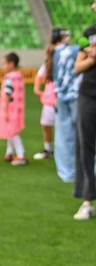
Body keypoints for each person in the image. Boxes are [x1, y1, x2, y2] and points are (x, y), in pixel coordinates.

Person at [71, 13, 96, 220]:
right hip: (88, 97)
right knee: (85, 148)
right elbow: (77, 67)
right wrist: (91, 58)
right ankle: (87, 201)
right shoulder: (89, 34)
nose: (93, 6)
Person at [52, 28, 83, 183]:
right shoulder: (76, 50)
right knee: (85, 133)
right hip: (78, 94)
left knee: (64, 135)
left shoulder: (54, 53)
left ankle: (67, 172)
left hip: (61, 94)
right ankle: (87, 170)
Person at [0, 52, 28, 165]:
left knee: (12, 131)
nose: (3, 66)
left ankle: (21, 155)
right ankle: (10, 152)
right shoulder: (19, 76)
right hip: (18, 108)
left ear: (12, 64)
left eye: (4, 64)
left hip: (10, 109)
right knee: (11, 130)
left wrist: (5, 110)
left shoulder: (9, 78)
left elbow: (7, 94)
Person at [32, 43, 58, 160]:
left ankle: (64, 151)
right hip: (49, 100)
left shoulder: (68, 63)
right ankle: (48, 149)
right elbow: (39, 76)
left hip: (62, 100)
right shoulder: (48, 65)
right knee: (46, 125)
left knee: (64, 128)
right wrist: (37, 89)